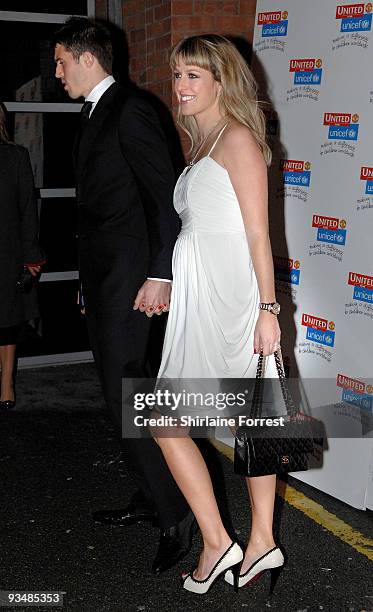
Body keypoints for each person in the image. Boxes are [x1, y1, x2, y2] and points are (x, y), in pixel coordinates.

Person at [52, 17, 194, 574]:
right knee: (120, 399)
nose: (57, 73)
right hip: (108, 282)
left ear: (89, 59)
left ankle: (178, 514)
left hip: (135, 283)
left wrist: (162, 273)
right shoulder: (93, 113)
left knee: (131, 396)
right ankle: (149, 495)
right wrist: (89, 285)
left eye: (62, 62)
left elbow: (165, 198)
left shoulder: (131, 109)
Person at [153, 35, 284, 594]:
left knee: (230, 419)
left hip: (232, 299)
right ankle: (249, 542)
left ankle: (241, 542)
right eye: (178, 75)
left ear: (220, 82)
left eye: (193, 77)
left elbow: (259, 233)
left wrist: (268, 309)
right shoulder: (200, 142)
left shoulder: (236, 140)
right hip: (198, 298)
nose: (180, 87)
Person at [0, 103, 44, 410]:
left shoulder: (15, 156)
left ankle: (7, 384)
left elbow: (28, 209)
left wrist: (31, 257)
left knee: (7, 321)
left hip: (7, 250)